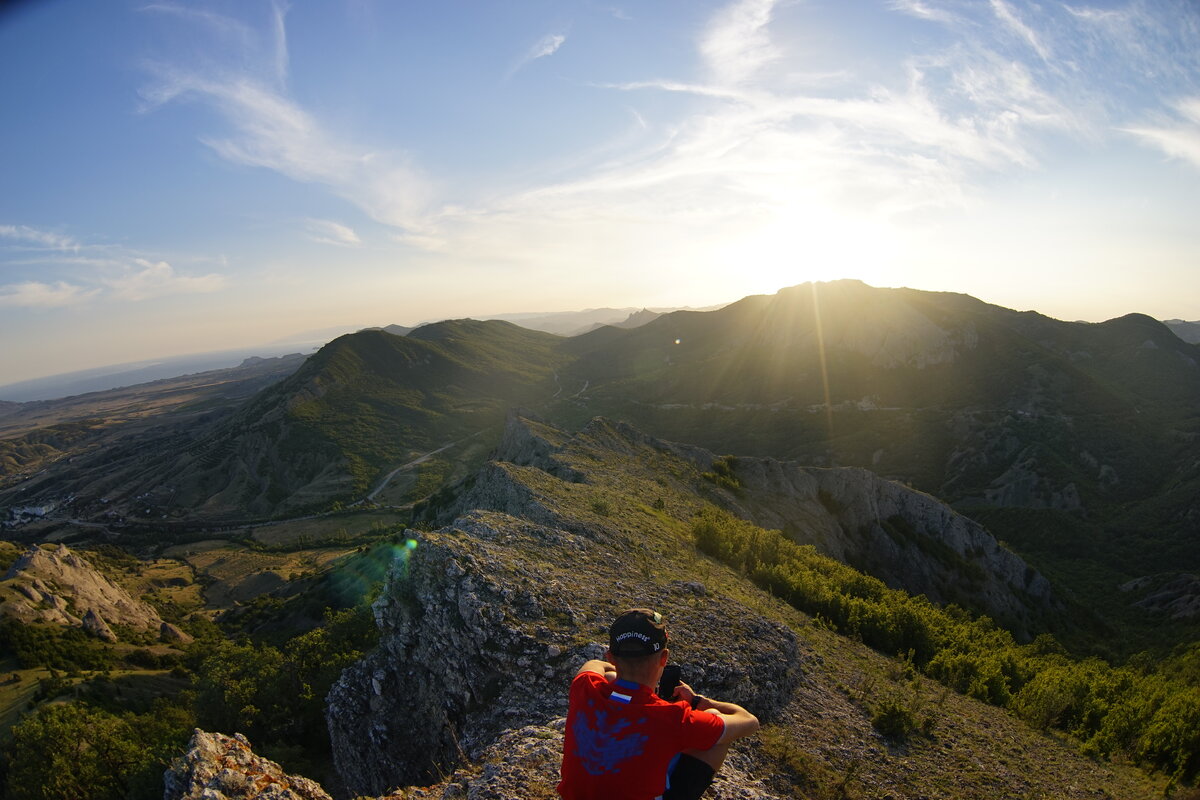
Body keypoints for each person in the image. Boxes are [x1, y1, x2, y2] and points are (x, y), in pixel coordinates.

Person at [558, 608, 761, 800]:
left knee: (611, 677)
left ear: (611, 656)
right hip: (667, 725)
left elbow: (593, 665)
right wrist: (699, 701)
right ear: (664, 658)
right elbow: (749, 722)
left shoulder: (584, 687)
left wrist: (624, 671)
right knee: (715, 721)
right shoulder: (673, 718)